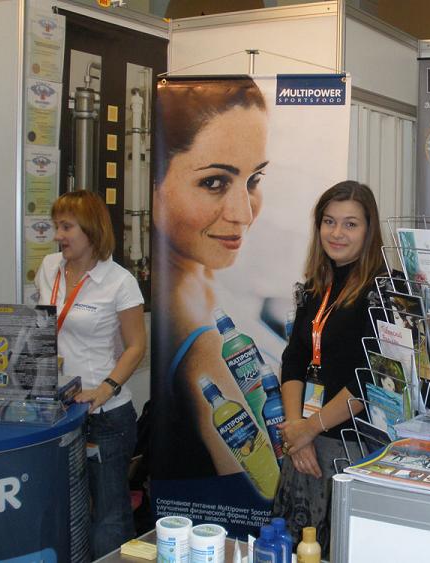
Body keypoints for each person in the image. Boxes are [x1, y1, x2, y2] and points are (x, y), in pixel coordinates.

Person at [151, 77, 275, 482]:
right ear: (154, 187)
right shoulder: (204, 350)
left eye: (253, 181)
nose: (244, 214)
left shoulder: (206, 284)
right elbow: (265, 483)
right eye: (214, 182)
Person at [272, 180, 386, 551]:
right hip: (305, 443)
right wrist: (297, 431)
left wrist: (309, 429)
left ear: (369, 231)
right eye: (329, 221)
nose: (336, 233)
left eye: (350, 224)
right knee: (296, 549)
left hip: (351, 449)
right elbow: (294, 360)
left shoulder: (383, 292)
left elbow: (372, 380)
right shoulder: (315, 287)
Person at [35, 190, 146, 558]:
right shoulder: (49, 268)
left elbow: (136, 346)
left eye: (67, 227)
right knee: (69, 509)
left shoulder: (119, 282)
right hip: (59, 412)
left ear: (91, 229)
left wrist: (105, 389)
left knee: (110, 516)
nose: (58, 235)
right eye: (57, 226)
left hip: (105, 416)